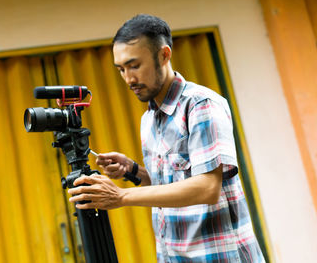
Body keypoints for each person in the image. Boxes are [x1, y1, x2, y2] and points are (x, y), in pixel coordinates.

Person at [68, 14, 265, 262]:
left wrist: (121, 197)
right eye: (121, 69)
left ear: (164, 55)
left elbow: (207, 187)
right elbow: (174, 181)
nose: (128, 79)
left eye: (134, 65)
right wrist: (133, 171)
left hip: (219, 256)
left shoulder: (200, 105)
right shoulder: (149, 119)